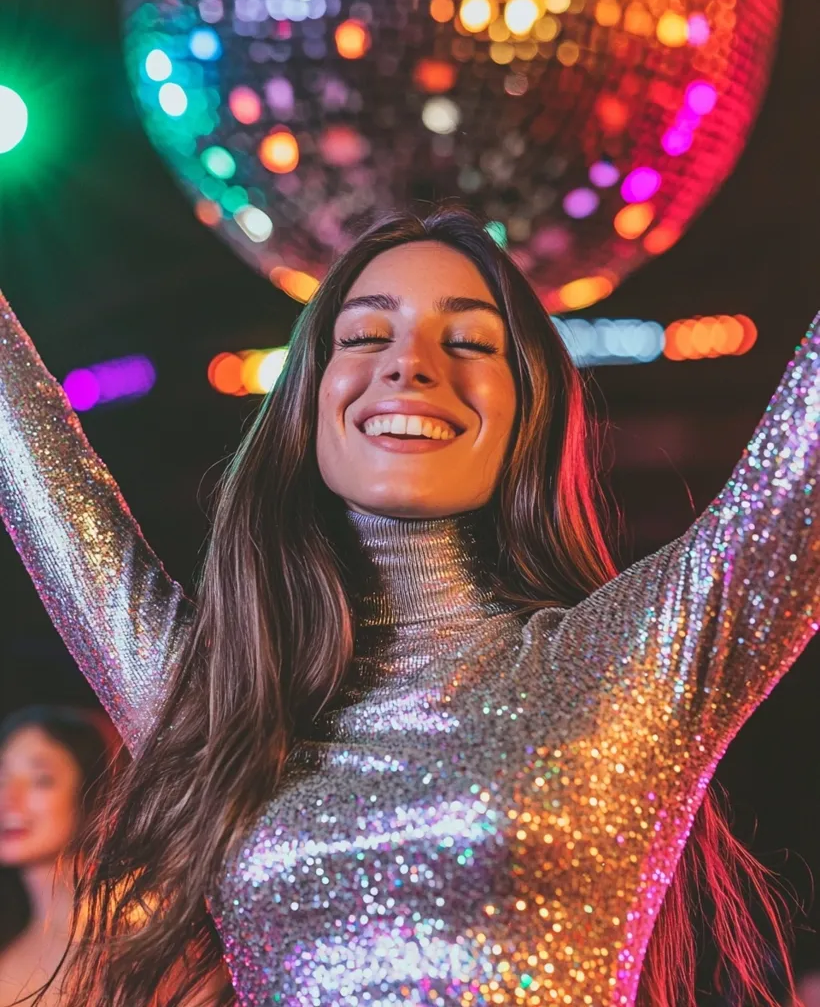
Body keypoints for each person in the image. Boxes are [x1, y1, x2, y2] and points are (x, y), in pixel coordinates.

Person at [0, 206, 817, 1007]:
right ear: (308, 399)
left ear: (527, 408)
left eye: (466, 341)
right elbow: (24, 444)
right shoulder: (221, 700)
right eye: (362, 336)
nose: (409, 365)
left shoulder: (628, 662)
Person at [0, 705, 117, 1006]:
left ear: (93, 792)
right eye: (1, 779)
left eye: (41, 779)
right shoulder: (11, 942)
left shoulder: (141, 935)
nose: (8, 798)